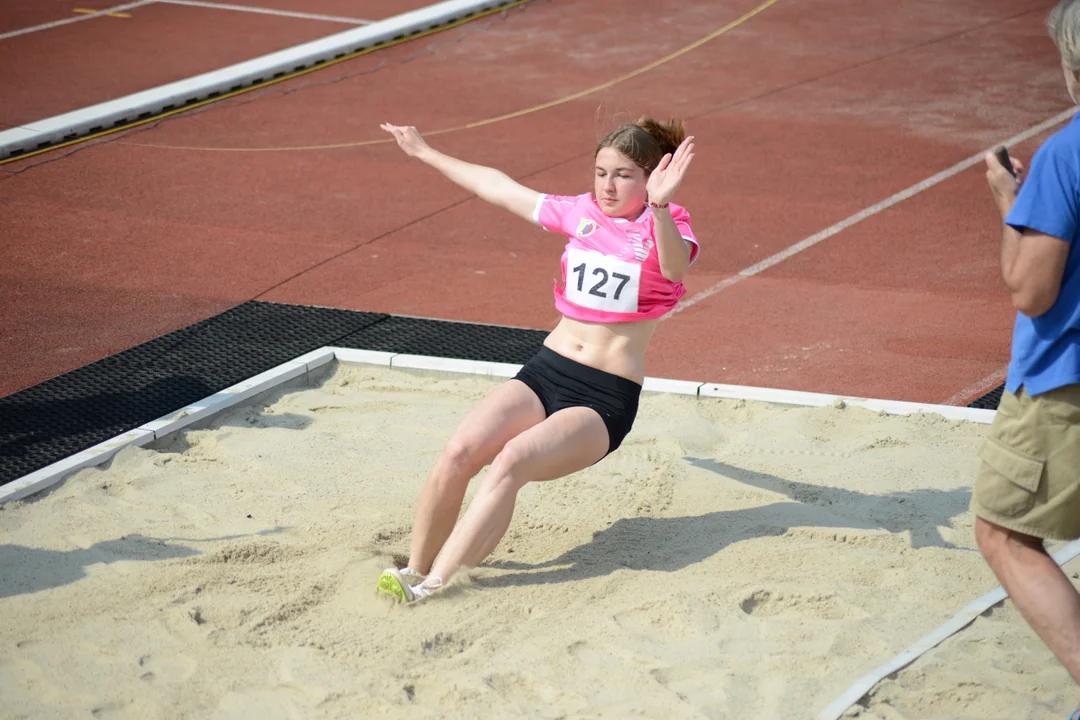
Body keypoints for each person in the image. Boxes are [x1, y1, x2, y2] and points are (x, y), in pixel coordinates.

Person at [373, 116, 699, 602]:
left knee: (512, 461)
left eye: (623, 175)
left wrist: (661, 206)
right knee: (460, 451)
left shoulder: (667, 222)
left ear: (651, 177)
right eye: (600, 172)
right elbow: (497, 187)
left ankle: (435, 585)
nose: (607, 186)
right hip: (546, 371)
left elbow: (673, 268)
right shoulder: (579, 213)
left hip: (603, 397)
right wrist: (425, 152)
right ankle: (414, 568)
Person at [973, 0, 1080, 704]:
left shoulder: (1067, 152)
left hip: (1063, 387)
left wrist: (1013, 206)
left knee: (1004, 534)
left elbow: (1031, 290)